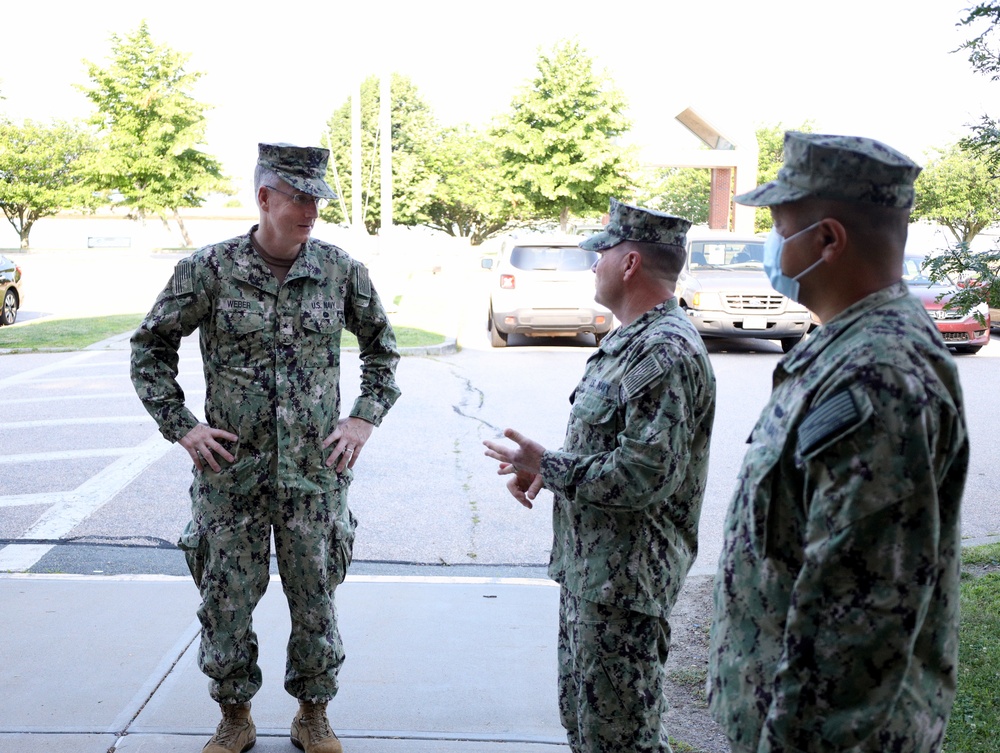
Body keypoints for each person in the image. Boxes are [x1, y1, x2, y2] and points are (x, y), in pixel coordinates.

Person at [131, 143, 401, 753]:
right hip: (232, 476)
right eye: (300, 197)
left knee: (316, 604)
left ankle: (313, 714)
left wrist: (363, 419)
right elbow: (150, 347)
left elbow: (383, 350)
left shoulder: (339, 270)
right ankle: (235, 716)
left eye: (317, 199)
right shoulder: (209, 270)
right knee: (225, 602)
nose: (312, 210)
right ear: (264, 198)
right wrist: (183, 425)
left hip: (314, 476)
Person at [708, 132, 969, 753]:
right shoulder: (848, 350)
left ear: (827, 239)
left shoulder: (878, 378)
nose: (771, 243)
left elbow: (855, 627)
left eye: (779, 224)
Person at [483, 199, 717, 753]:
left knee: (621, 740)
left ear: (630, 263)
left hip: (626, 586)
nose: (593, 264)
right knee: (590, 728)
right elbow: (612, 440)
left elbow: (642, 475)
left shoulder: (664, 351)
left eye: (602, 252)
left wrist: (549, 466)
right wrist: (547, 470)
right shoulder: (631, 340)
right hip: (597, 576)